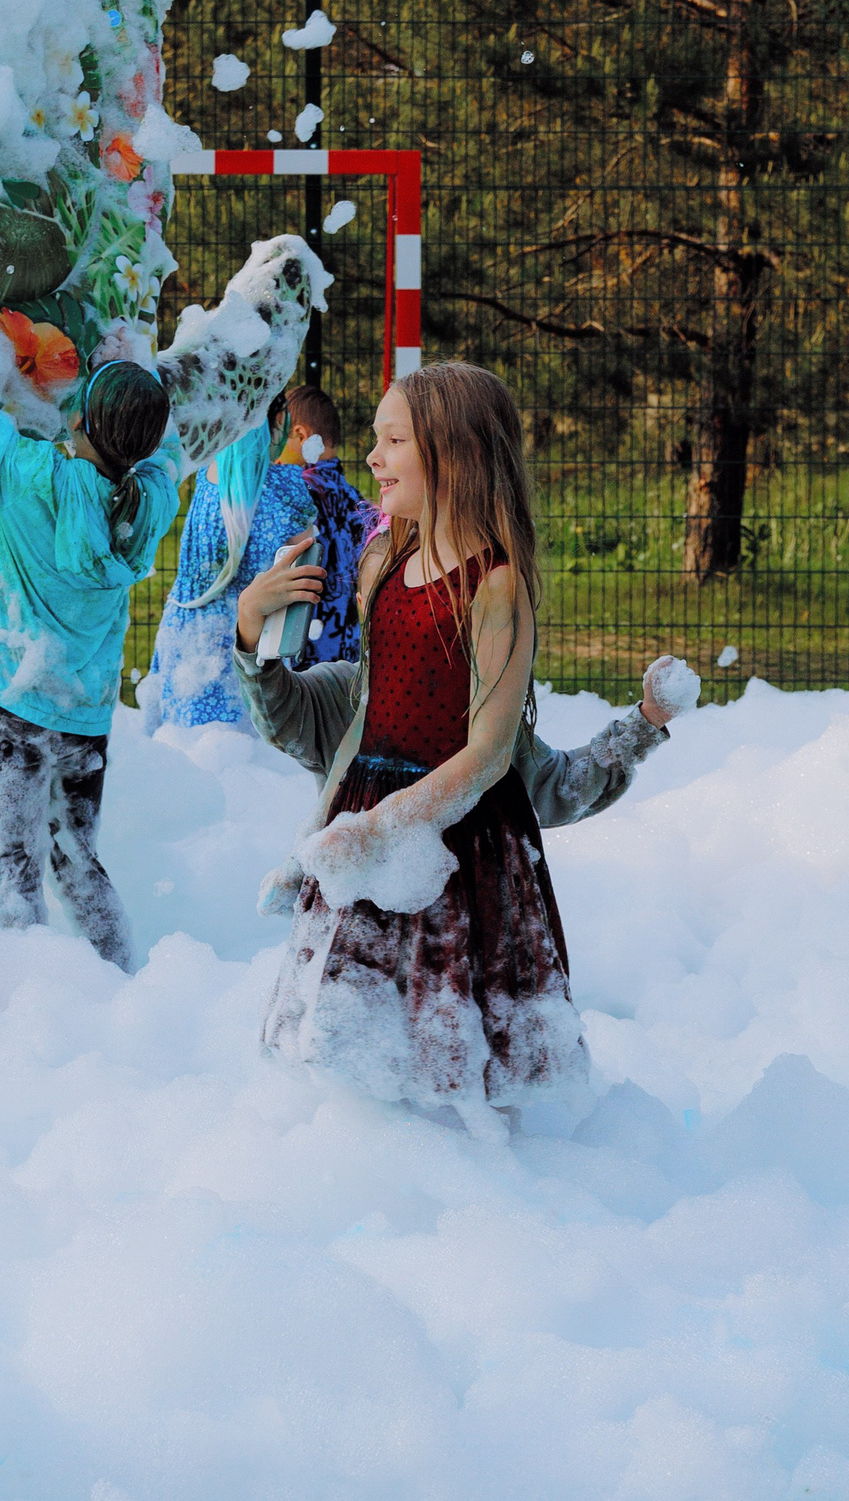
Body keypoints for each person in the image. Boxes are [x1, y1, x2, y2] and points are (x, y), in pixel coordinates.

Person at [234, 361, 661, 1128]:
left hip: (456, 856)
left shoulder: (494, 587)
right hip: (369, 843)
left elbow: (495, 757)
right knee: (348, 1061)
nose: (370, 456)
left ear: (453, 454)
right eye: (375, 437)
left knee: (450, 1063)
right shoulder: (382, 564)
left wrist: (373, 832)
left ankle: (469, 1200)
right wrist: (251, 630)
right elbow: (343, 718)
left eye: (393, 438)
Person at [0, 303, 182, 970]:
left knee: (14, 861)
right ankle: (121, 978)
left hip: (17, 705)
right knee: (77, 856)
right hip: (85, 712)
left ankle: (15, 1004)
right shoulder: (155, 499)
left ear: (77, 416)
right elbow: (163, 447)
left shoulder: (30, 478)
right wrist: (131, 368)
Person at [149, 383, 381, 733]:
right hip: (251, 646)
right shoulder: (287, 486)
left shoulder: (207, 476)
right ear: (278, 422)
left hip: (185, 643)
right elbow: (309, 567)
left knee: (181, 757)